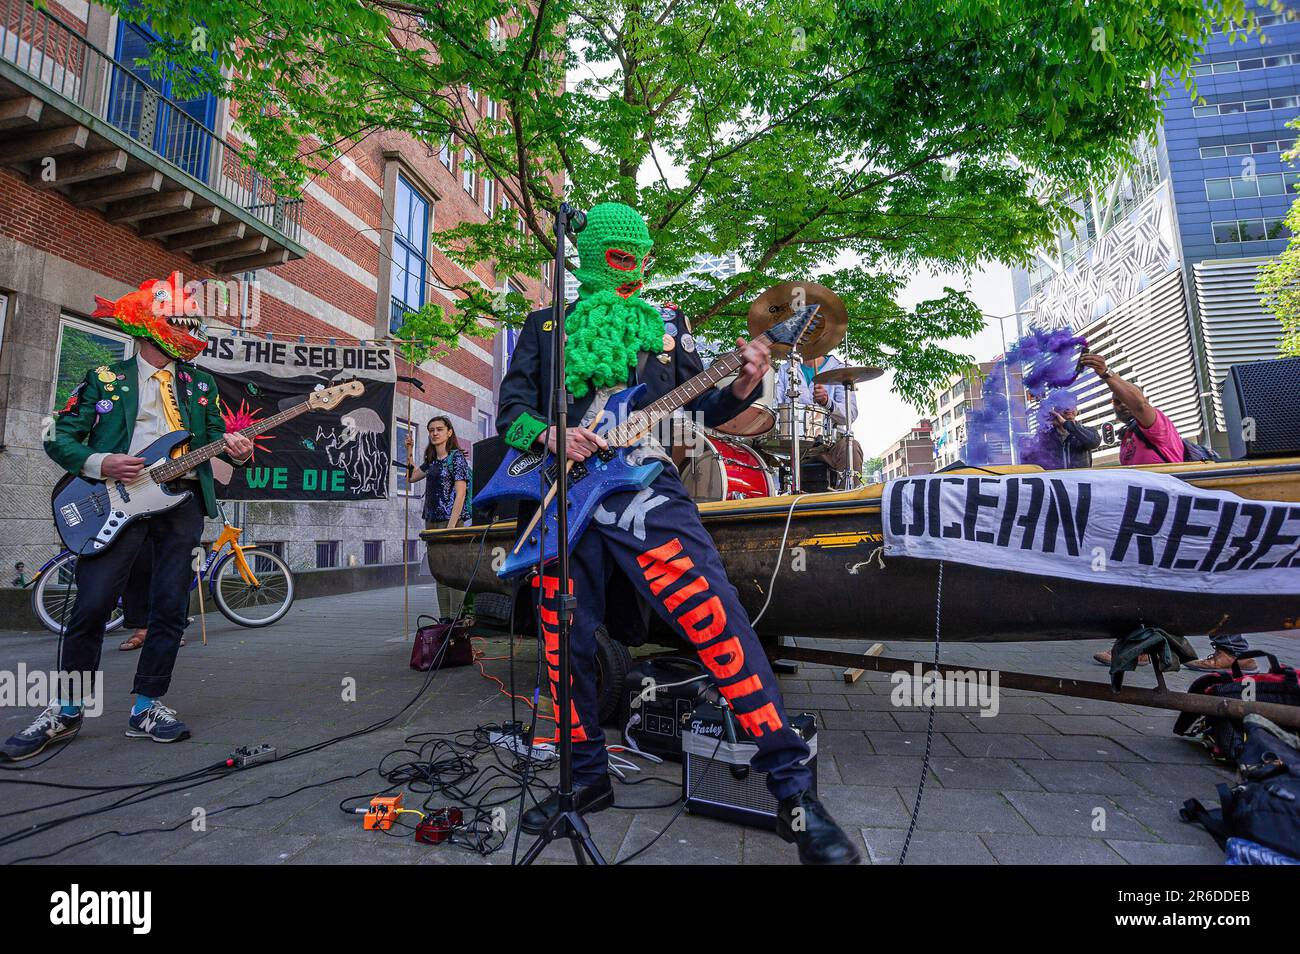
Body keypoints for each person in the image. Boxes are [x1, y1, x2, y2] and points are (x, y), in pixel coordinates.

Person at [495, 202, 859, 864]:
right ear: (591, 253)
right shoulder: (546, 325)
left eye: (641, 256)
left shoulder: (668, 325)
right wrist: (552, 432)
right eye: (619, 254)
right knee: (562, 642)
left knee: (716, 618)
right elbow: (511, 410)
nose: (632, 268)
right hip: (561, 501)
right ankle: (583, 783)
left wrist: (745, 383)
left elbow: (703, 408)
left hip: (644, 490)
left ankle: (793, 794)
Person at [2, 273, 252, 761]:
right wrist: (101, 462)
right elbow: (58, 436)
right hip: (114, 503)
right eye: (176, 317)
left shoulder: (200, 382)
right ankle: (67, 709)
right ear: (147, 325)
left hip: (180, 507)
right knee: (92, 607)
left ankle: (147, 706)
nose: (188, 325)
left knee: (170, 611)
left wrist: (238, 452)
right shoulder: (104, 377)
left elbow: (219, 444)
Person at [405, 415, 471, 620]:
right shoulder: (432, 461)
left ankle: (456, 618)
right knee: (440, 572)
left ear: (449, 432)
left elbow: (461, 493)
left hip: (450, 522)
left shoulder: (456, 458)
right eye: (431, 429)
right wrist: (409, 450)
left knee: (453, 570)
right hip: (432, 521)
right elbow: (412, 477)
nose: (435, 433)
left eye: (439, 429)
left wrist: (451, 526)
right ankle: (445, 618)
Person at [1079, 352, 1184, 465]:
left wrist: (1105, 372)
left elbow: (1140, 406)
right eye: (1117, 402)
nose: (1123, 405)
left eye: (1126, 400)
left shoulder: (1157, 424)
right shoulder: (1127, 436)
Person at [773, 351, 863, 478]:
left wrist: (827, 403)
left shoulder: (840, 370)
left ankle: (849, 496)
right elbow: (775, 407)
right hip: (791, 445)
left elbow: (850, 414)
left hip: (829, 444)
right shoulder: (785, 369)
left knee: (851, 448)